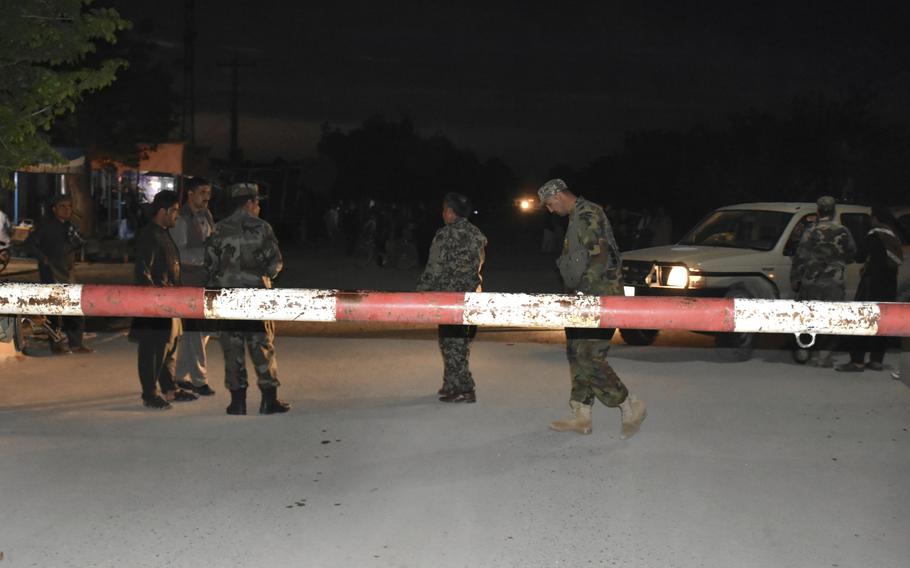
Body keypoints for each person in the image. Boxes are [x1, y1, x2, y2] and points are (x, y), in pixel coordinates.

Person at [537, 179, 647, 437]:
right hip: (584, 297)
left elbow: (598, 257)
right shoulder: (577, 217)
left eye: (550, 204)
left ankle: (630, 404)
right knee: (576, 352)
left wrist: (584, 294)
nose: (551, 210)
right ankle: (581, 415)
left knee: (588, 355)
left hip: (599, 298)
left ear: (559, 195)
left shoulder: (588, 213)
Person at [205, 182, 290, 415]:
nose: (259, 206)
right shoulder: (262, 228)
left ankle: (237, 402)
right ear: (250, 203)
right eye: (257, 202)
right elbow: (275, 264)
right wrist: (264, 275)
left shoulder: (219, 228)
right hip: (255, 299)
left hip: (228, 299)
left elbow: (210, 264)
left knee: (232, 349)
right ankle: (268, 401)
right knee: (262, 347)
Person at [130, 190, 199, 410]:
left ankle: (169, 388)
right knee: (152, 351)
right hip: (155, 304)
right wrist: (153, 301)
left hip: (169, 302)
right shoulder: (149, 235)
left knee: (168, 349)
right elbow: (143, 271)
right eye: (175, 212)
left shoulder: (162, 232)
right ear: (163, 211)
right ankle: (149, 394)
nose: (177, 216)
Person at [416, 193, 488, 403]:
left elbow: (433, 269)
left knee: (453, 344)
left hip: (449, 299)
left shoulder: (444, 235)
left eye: (444, 209)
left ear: (449, 211)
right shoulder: (477, 234)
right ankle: (451, 383)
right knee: (457, 343)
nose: (442, 213)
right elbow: (477, 265)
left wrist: (421, 291)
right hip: (471, 297)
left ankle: (465, 388)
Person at [790, 195, 857, 368]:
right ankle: (823, 356)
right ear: (834, 212)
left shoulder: (810, 231)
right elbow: (852, 254)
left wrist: (795, 279)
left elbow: (800, 257)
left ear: (818, 211)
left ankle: (804, 351)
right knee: (832, 319)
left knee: (807, 317)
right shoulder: (843, 231)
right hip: (834, 283)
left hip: (811, 282)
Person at [836, 204, 903, 372]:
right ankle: (876, 361)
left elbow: (859, 256)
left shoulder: (874, 234)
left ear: (876, 218)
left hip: (871, 284)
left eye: (872, 217)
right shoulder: (893, 234)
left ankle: (857, 361)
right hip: (889, 285)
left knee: (863, 320)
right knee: (882, 322)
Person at [26, 195, 92, 354]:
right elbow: (29, 244)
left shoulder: (70, 227)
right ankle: (56, 344)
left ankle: (76, 343)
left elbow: (79, 243)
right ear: (54, 209)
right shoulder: (46, 227)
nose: (67, 209)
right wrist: (44, 259)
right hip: (51, 273)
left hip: (67, 272)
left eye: (69, 206)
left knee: (74, 308)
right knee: (54, 312)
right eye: (62, 206)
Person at [170, 178, 216, 396]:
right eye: (202, 191)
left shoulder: (205, 214)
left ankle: (181, 375)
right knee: (195, 331)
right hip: (188, 279)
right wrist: (208, 255)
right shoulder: (182, 219)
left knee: (199, 331)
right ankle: (199, 379)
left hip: (204, 279)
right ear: (190, 193)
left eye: (208, 192)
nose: (206, 196)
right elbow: (179, 254)